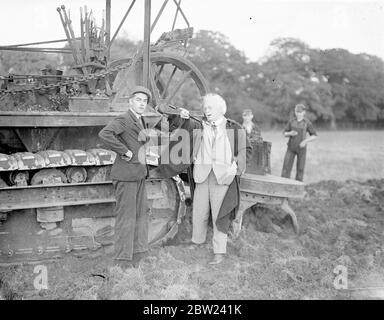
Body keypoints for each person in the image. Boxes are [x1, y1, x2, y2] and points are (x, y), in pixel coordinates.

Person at [178, 94, 251, 265]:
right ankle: (197, 242)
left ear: (221, 109)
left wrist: (236, 169)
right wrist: (181, 116)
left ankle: (219, 252)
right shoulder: (198, 125)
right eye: (205, 107)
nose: (206, 110)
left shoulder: (234, 128)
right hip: (202, 175)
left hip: (222, 177)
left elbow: (245, 150)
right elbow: (180, 125)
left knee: (220, 215)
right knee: (199, 212)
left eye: (210, 107)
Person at [98, 86, 152, 268]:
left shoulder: (140, 119)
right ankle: (122, 261)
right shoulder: (125, 118)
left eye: (144, 101)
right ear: (130, 102)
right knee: (126, 219)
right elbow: (105, 134)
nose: (142, 104)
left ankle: (137, 255)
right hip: (126, 176)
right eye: (138, 100)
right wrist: (125, 152)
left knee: (139, 217)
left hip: (138, 175)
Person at [281, 103, 317, 182]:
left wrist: (305, 141)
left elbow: (314, 136)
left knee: (300, 169)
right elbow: (284, 133)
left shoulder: (307, 123)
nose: (298, 114)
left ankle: (298, 187)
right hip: (291, 148)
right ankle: (284, 185)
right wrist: (290, 133)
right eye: (297, 112)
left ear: (304, 112)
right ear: (295, 112)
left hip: (301, 149)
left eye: (300, 112)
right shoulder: (291, 121)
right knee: (286, 168)